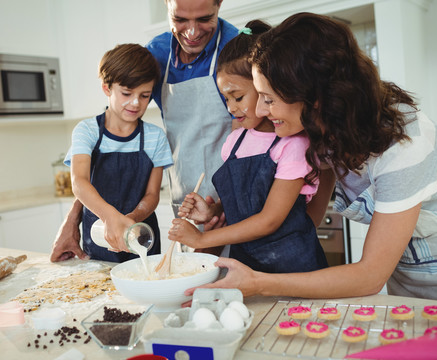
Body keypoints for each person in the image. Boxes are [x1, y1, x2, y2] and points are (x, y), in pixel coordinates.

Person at [186, 12, 437, 303]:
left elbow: (370, 276)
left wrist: (258, 282)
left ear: (312, 96)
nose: (260, 112)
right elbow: (308, 217)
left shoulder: (407, 144)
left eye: (269, 100)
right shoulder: (323, 131)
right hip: (403, 267)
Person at [50, 0, 238, 262]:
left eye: (204, 19)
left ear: (220, 4)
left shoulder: (237, 51)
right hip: (186, 201)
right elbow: (116, 129)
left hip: (233, 197)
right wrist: (73, 220)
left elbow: (255, 139)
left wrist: (225, 206)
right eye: (180, 19)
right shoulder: (158, 55)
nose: (192, 32)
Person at [168, 20, 328, 274]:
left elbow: (269, 220)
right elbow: (244, 205)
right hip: (248, 267)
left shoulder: (293, 145)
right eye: (226, 98)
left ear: (265, 86)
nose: (231, 108)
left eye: (238, 97)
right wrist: (213, 210)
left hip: (295, 268)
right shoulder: (233, 143)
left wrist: (201, 240)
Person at [63, 43, 173, 261]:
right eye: (126, 93)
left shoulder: (155, 137)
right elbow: (79, 182)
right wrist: (110, 218)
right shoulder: (87, 131)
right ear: (107, 88)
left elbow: (152, 195)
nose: (135, 102)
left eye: (144, 95)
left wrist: (129, 221)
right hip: (99, 238)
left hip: (140, 233)